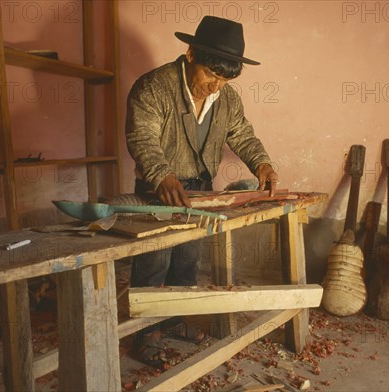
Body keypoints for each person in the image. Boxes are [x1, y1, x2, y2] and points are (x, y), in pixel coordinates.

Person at [125, 16, 278, 367]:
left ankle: (173, 321)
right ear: (191, 54)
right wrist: (162, 175)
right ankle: (143, 335)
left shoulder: (226, 98)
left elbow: (242, 134)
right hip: (157, 191)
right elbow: (142, 138)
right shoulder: (153, 87)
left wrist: (262, 164)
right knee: (154, 261)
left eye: (224, 79)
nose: (215, 86)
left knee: (187, 261)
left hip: (200, 192)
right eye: (211, 75)